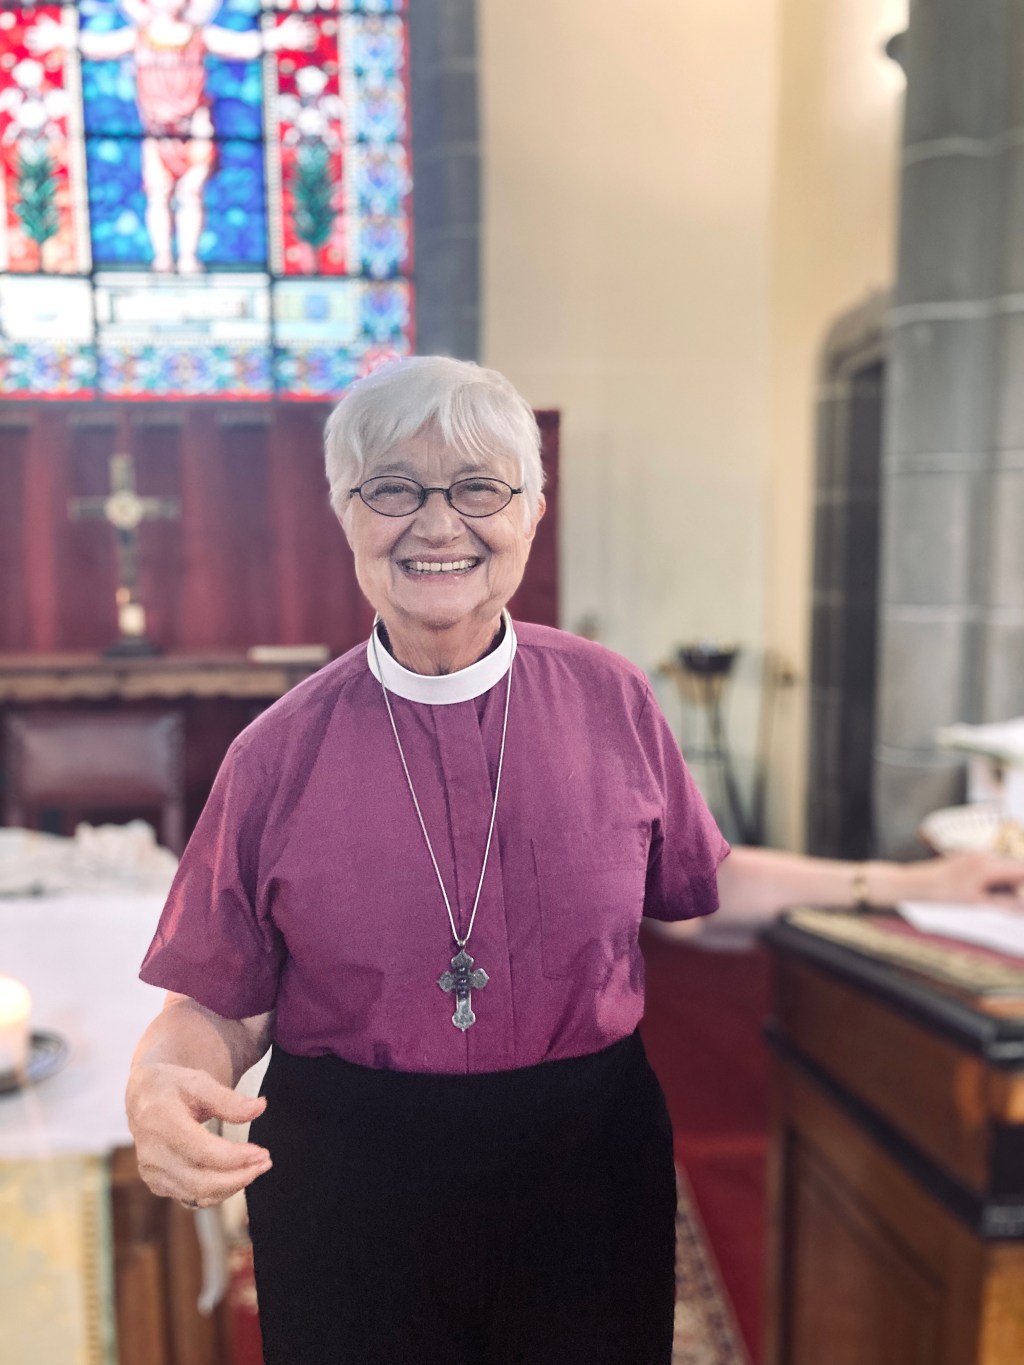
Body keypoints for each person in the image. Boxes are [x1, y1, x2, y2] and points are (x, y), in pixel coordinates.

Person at [126, 356, 1024, 1365]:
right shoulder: (276, 752)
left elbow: (701, 886)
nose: (438, 524)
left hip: (585, 1169)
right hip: (351, 1182)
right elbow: (217, 998)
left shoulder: (610, 699)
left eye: (479, 487)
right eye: (393, 489)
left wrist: (910, 883)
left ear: (532, 511)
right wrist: (163, 1075)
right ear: (345, 511)